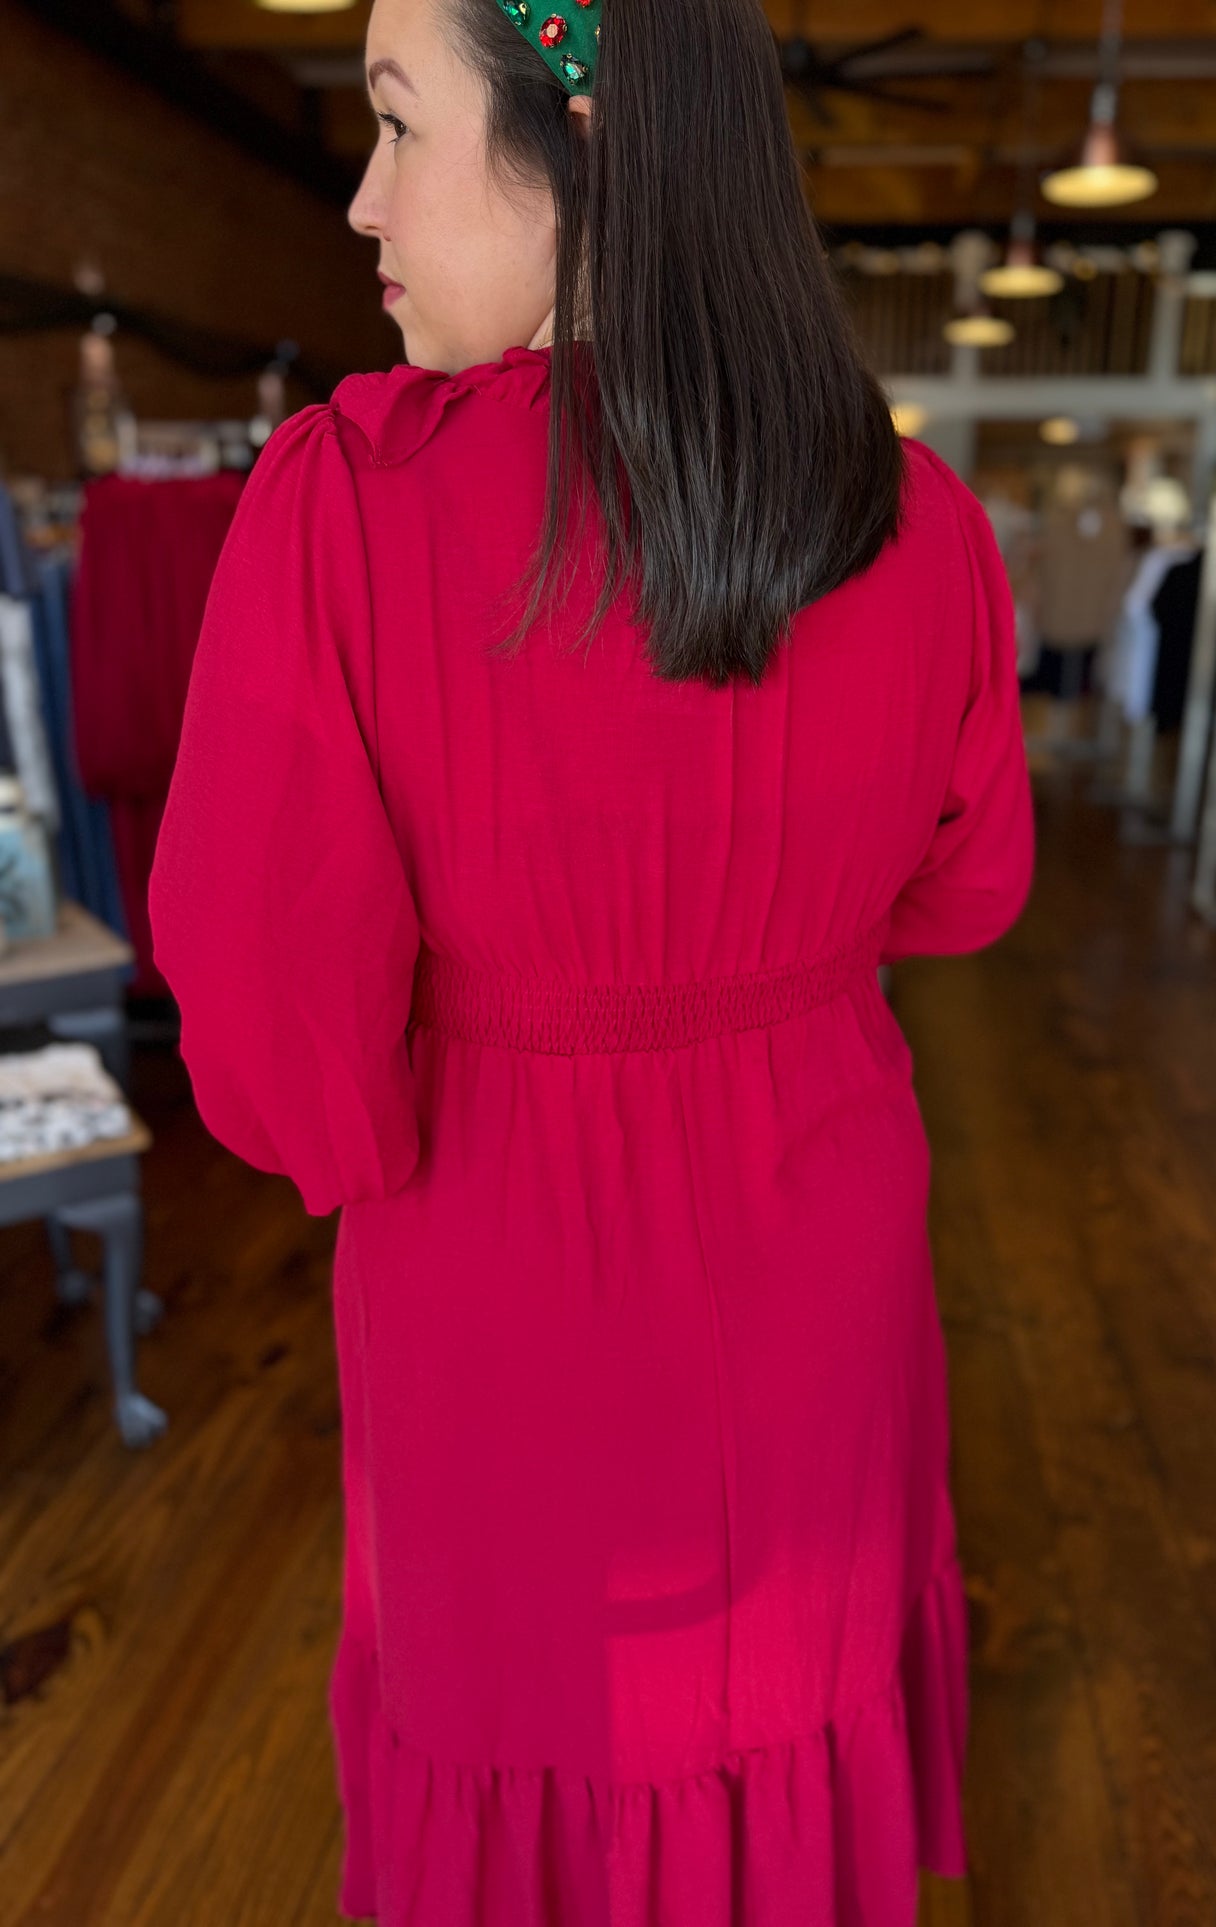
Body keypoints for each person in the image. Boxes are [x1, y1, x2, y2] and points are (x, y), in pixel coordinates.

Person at [147, 0, 1035, 1920]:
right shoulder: (917, 518)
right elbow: (963, 896)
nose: (365, 201)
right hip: (822, 1215)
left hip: (505, 1248)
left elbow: (277, 1010)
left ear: (579, 146)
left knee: (528, 1731)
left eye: (396, 125)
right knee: (779, 1697)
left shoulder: (354, 509)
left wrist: (380, 1114)